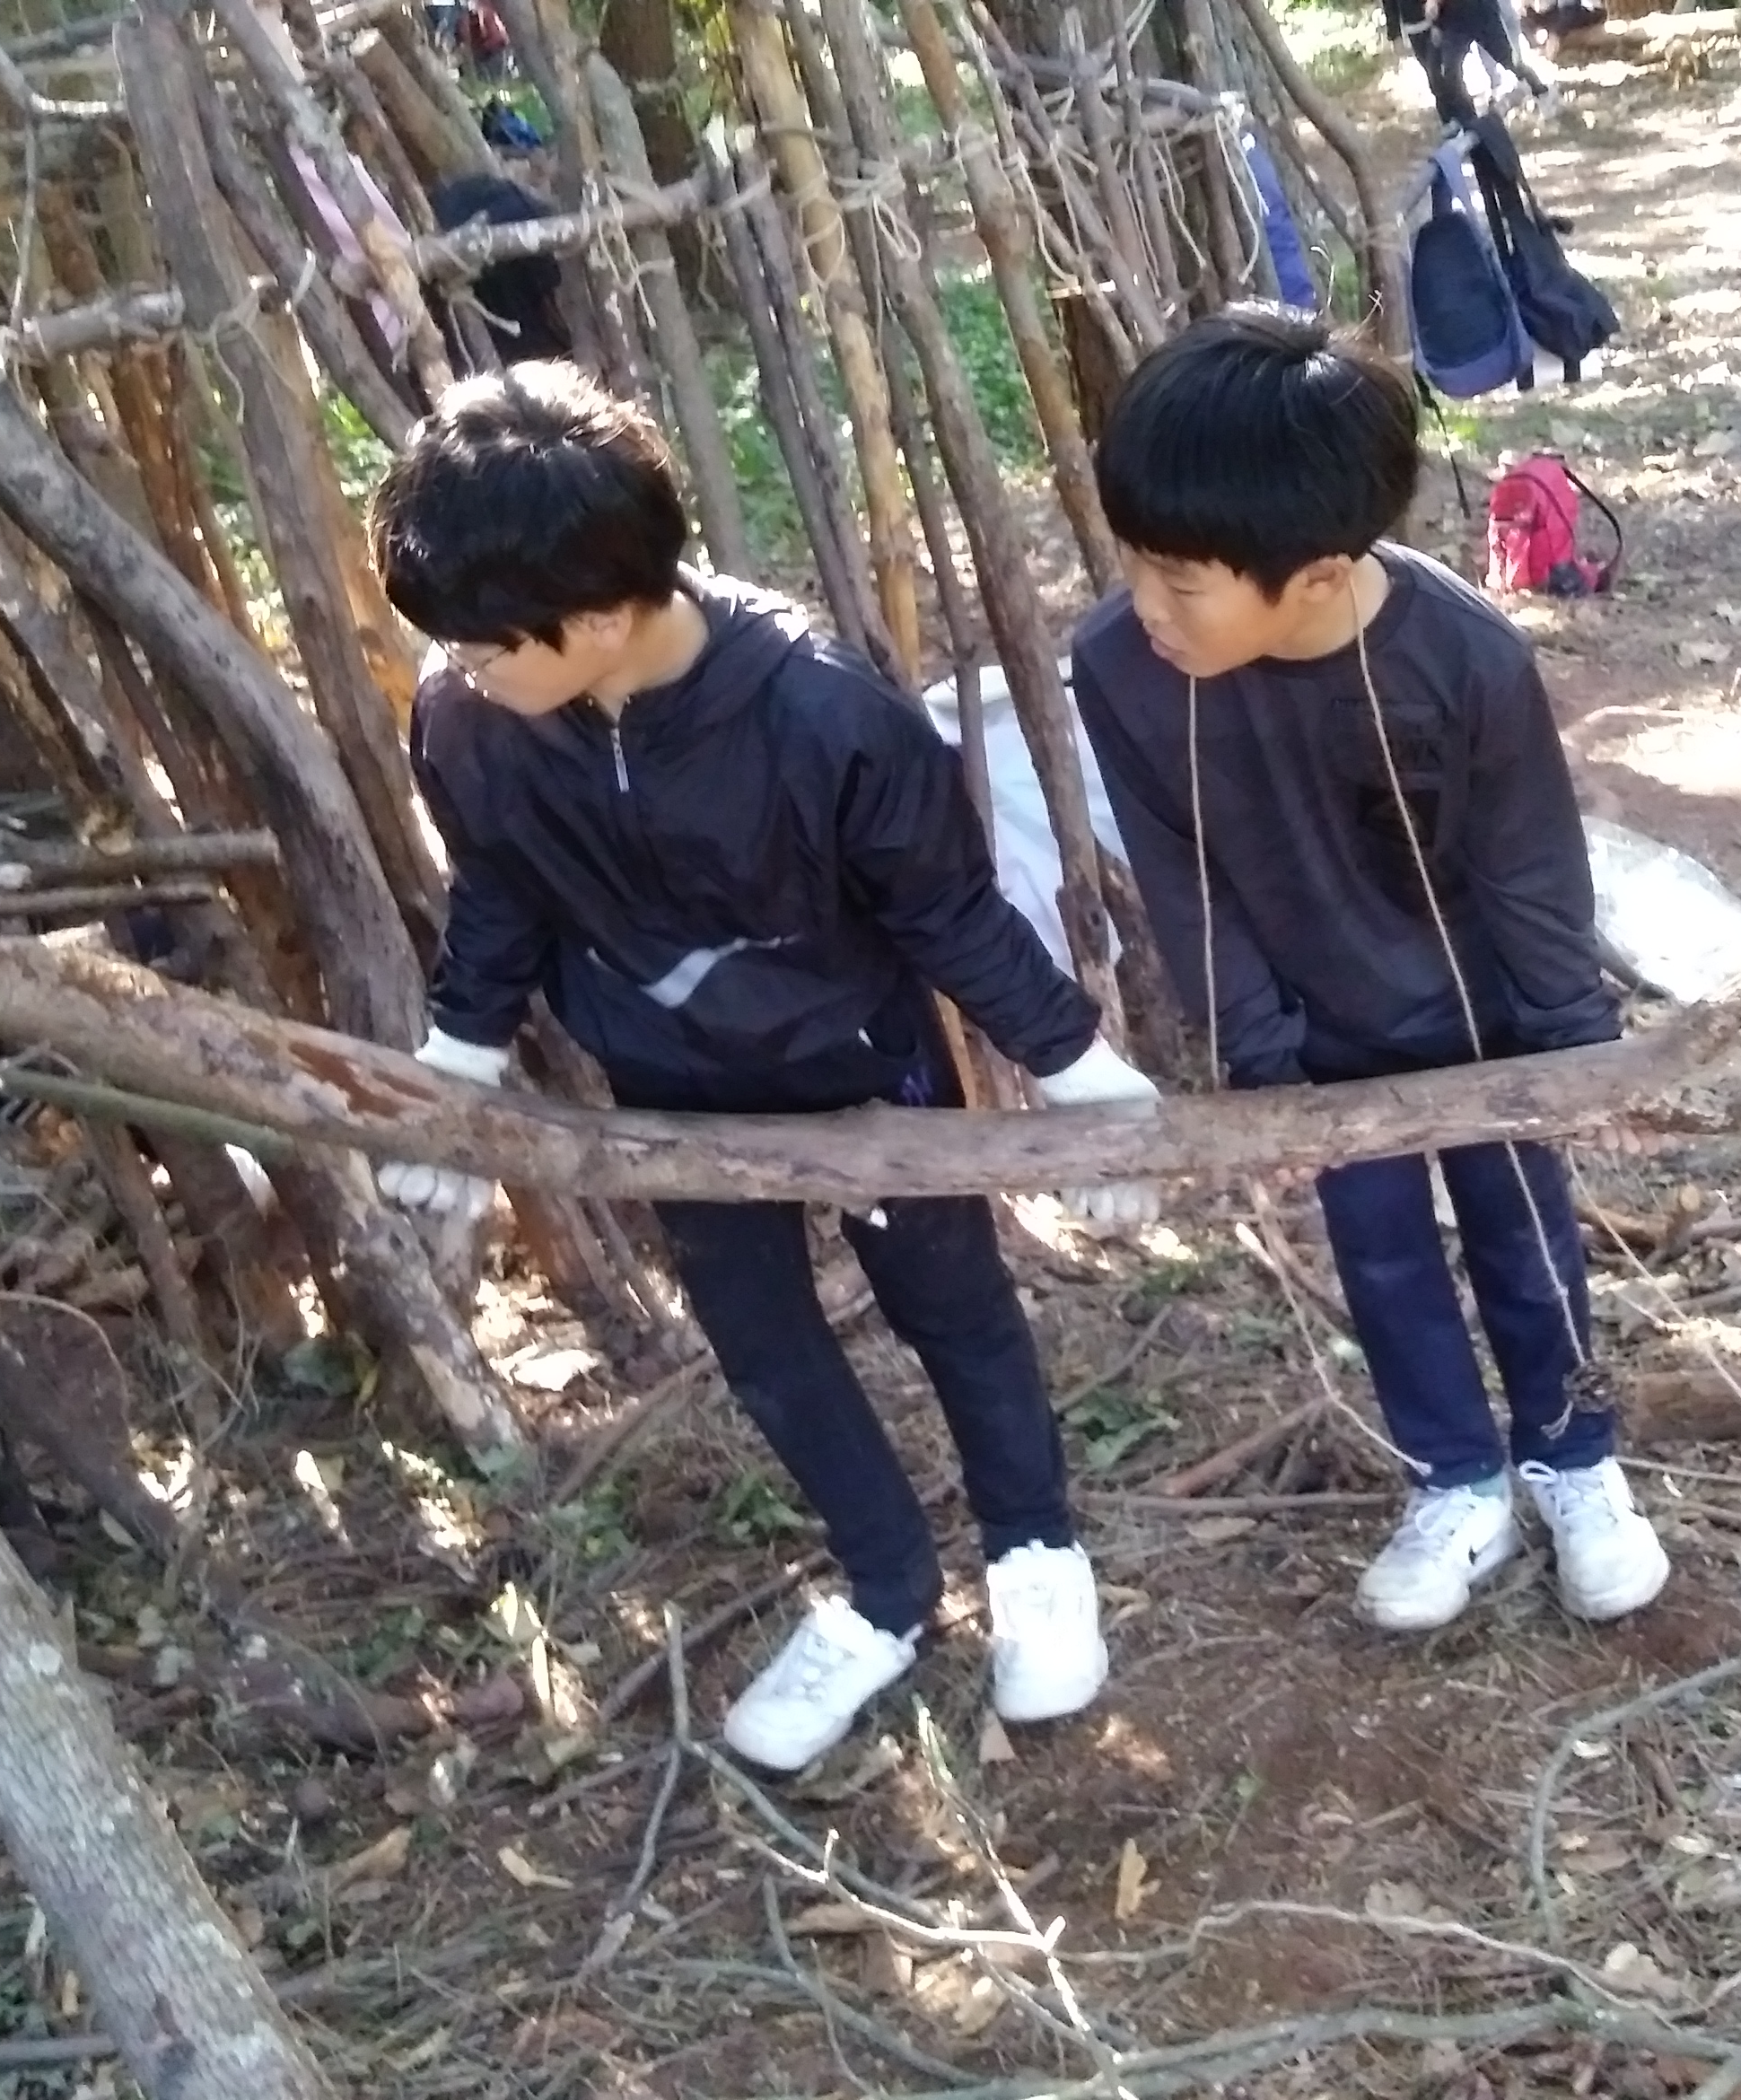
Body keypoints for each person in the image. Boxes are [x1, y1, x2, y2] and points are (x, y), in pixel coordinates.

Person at [367, 362, 1161, 1770]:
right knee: (764, 1343)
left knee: (952, 1302)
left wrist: (1074, 1067)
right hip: (671, 1095)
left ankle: (1035, 1551)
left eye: (486, 649)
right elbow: (500, 890)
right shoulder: (476, 723)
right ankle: (888, 1589)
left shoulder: (823, 715)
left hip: (864, 1068)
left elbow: (945, 911)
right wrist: (456, 1067)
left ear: (594, 618)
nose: (462, 672)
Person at [1064, 304, 1669, 1636]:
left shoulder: (1463, 659)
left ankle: (1573, 1459)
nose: (1146, 607)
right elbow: (1184, 878)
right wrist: (1263, 1061)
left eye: (1182, 580)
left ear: (1320, 575)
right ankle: (1453, 1481)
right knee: (1382, 1259)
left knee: (1525, 1239)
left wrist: (1570, 1050)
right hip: (1322, 1032)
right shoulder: (1122, 671)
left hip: (1490, 1026)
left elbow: (1531, 871)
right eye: (1135, 564)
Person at [1387, 0, 1554, 127]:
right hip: (1452, 22)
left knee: (1509, 61)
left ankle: (1541, 91)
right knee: (1449, 72)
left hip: (1480, 12)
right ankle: (1469, 124)